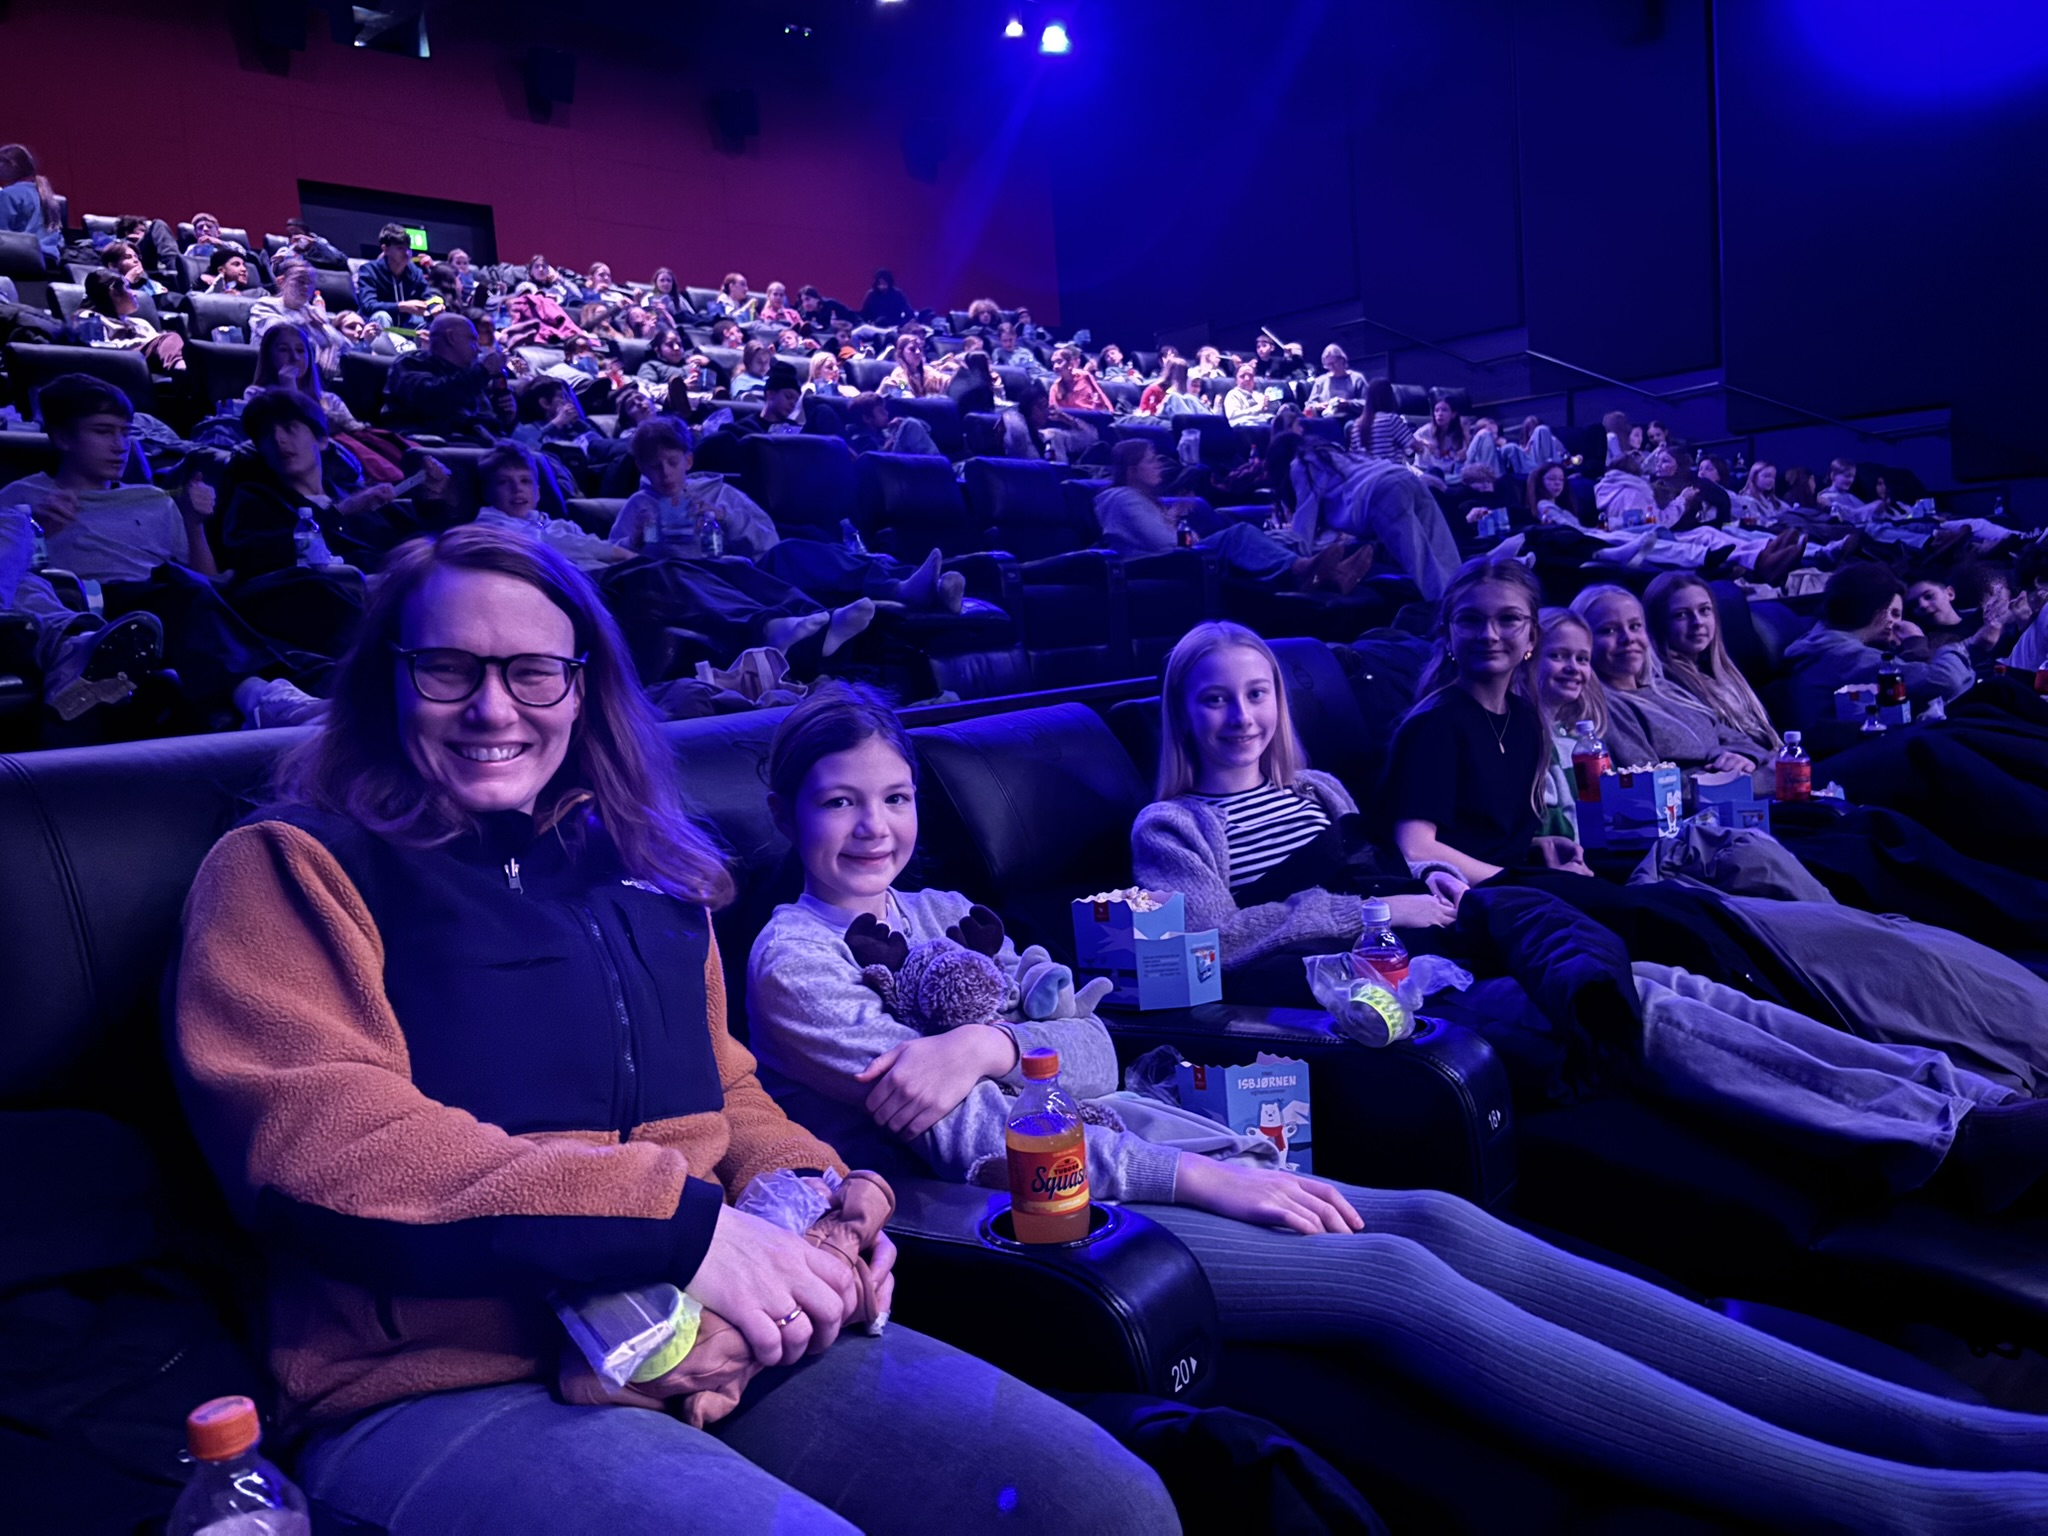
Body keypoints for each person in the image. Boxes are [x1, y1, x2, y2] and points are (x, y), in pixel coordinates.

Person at [745, 682, 2048, 1536]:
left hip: (1127, 1150)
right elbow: (973, 1137)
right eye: (840, 802)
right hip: (1010, 1225)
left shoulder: (943, 911)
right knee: (1398, 1280)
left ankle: (1950, 1431)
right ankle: (1915, 1509)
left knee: (1441, 1219)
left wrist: (984, 1037)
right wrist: (1200, 1169)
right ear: (790, 814)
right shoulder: (790, 957)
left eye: (893, 797)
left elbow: (1089, 1032)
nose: (874, 827)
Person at [170, 526, 1174, 1535]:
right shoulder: (290, 867)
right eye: (446, 669)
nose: (492, 707)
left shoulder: (652, 869)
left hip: (711, 1318)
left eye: (532, 672)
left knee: (1105, 1506)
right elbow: (320, 1149)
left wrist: (817, 1206)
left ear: (582, 688)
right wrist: (681, 1233)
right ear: (389, 680)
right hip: (446, 1379)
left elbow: (727, 1094)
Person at [1131, 622, 1458, 976]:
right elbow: (1214, 941)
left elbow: (1369, 872)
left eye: (1256, 694)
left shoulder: (1319, 788)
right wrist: (1374, 913)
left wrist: (1431, 876)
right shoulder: (1167, 827)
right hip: (1317, 987)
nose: (1242, 718)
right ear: (1181, 714)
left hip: (1405, 954)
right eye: (1216, 699)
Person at [1385, 557, 1585, 883]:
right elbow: (1415, 849)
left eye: (1508, 619)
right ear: (1446, 635)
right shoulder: (1434, 725)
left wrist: (1536, 846)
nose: (1489, 634)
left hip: (1512, 884)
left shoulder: (1525, 718)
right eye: (1470, 620)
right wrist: (1528, 882)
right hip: (1469, 897)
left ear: (1532, 637)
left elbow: (1480, 839)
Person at [0, 373, 216, 583]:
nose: (120, 446)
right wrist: (33, 532)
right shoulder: (23, 497)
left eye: (125, 433)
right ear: (62, 437)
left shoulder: (155, 499)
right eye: (103, 432)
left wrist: (194, 525)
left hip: (163, 597)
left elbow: (209, 586)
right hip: (82, 599)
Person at [1094, 444, 1367, 593]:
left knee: (1268, 538)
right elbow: (1165, 543)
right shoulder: (1121, 499)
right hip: (1157, 566)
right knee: (1239, 535)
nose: (1159, 465)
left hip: (1173, 560)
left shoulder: (1140, 499)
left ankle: (1331, 575)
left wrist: (1174, 518)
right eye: (1151, 460)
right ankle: (1303, 569)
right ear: (1132, 470)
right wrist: (1175, 519)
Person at [1569, 585, 1761, 773]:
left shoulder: (1667, 690)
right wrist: (1721, 774)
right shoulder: (1606, 707)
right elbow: (1648, 780)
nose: (1628, 638)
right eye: (1609, 630)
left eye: (1635, 626)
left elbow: (1742, 742)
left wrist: (1740, 757)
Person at [1782, 563, 1977, 734]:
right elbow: (1945, 679)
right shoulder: (1843, 654)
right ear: (1874, 608)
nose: (1895, 623)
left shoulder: (1823, 641)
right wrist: (1961, 646)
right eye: (1894, 613)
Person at [1643, 572, 1784, 759]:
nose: (1697, 622)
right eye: (1681, 615)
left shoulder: (1721, 672)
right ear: (1658, 624)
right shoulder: (1667, 687)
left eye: (1704, 610)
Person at [609, 418, 781, 559]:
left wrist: (725, 518)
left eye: (673, 463)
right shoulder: (641, 504)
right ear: (642, 468)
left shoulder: (720, 493)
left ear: (688, 461)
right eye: (655, 467)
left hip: (719, 577)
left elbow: (769, 543)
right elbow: (611, 557)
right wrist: (634, 541)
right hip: (664, 579)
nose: (666, 473)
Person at [1518, 607, 1607, 842]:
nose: (1573, 668)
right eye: (1558, 656)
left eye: (1582, 659)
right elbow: (1538, 824)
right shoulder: (1523, 737)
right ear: (1527, 658)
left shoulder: (1580, 741)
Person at [472, 441, 630, 570]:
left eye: (525, 481)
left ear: (538, 493)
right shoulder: (491, 524)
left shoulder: (555, 524)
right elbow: (542, 544)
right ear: (487, 493)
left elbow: (596, 545)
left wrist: (631, 544)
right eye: (504, 482)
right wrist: (617, 552)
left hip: (603, 575)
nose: (517, 488)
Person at [383, 314, 517, 442]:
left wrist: (506, 417)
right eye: (472, 340)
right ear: (451, 337)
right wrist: (482, 371)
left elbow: (489, 425)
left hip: (475, 445)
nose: (478, 349)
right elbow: (434, 400)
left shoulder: (469, 374)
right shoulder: (412, 363)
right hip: (434, 444)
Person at [250, 255, 351, 373]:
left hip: (313, 376)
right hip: (275, 373)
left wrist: (328, 336)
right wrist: (307, 323)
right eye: (300, 281)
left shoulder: (311, 312)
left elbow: (345, 345)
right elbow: (280, 334)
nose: (306, 287)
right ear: (281, 282)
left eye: (310, 283)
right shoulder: (264, 305)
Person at [73, 270, 186, 374]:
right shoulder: (89, 318)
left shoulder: (140, 323)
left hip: (151, 363)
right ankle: (181, 370)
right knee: (170, 338)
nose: (134, 293)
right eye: (127, 288)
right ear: (114, 293)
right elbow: (97, 350)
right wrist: (145, 342)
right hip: (122, 363)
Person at [354, 224, 435, 325]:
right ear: (385, 249)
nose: (407, 253)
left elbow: (428, 297)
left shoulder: (415, 272)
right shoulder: (369, 270)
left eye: (408, 248)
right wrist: (401, 306)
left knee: (427, 319)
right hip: (376, 326)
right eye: (400, 248)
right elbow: (368, 306)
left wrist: (435, 308)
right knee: (382, 316)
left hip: (407, 325)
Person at [1000, 382, 1099, 464]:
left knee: (1100, 447)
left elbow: (1091, 438)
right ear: (1027, 409)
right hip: (1036, 479)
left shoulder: (1053, 435)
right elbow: (1012, 421)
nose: (1046, 411)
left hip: (1062, 479)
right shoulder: (1018, 437)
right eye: (1041, 406)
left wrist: (1069, 419)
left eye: (1046, 407)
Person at [0, 142, 62, 263]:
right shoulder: (44, 192)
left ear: (12, 165)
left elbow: (2, 237)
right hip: (50, 260)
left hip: (19, 261)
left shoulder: (8, 194)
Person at [1347, 378, 1416, 460]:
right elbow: (1413, 448)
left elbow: (1353, 457)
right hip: (1390, 468)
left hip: (1364, 468)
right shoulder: (1391, 420)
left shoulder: (1356, 425)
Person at [880, 333, 946, 399]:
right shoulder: (898, 374)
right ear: (901, 354)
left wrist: (951, 374)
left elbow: (944, 380)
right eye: (912, 349)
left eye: (920, 349)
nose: (918, 352)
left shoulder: (928, 370)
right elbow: (903, 389)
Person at [1304, 345, 1365, 415]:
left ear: (1342, 360)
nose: (1331, 367)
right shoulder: (1321, 381)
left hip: (1350, 417)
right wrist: (1317, 406)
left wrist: (1348, 403)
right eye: (1328, 365)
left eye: (1333, 363)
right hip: (1326, 418)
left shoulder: (1357, 379)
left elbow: (1367, 402)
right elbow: (1309, 404)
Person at [282, 216, 347, 268]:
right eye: (291, 235)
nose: (294, 238)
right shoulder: (288, 249)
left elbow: (340, 260)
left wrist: (313, 244)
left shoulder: (320, 242)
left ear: (308, 235)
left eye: (297, 234)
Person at [1221, 360, 1273, 427]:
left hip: (1265, 423)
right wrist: (1258, 408)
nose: (1247, 379)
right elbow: (1232, 415)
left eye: (1250, 376)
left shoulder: (1259, 395)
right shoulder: (1233, 394)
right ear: (1236, 380)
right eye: (1242, 376)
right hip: (1246, 426)